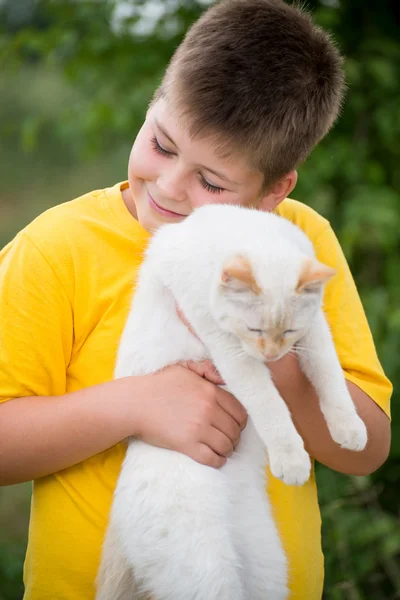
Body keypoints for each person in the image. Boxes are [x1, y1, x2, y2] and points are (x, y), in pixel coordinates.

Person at [0, 1, 392, 598]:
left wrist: (267, 340)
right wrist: (134, 404)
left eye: (212, 182)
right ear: (154, 103)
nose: (170, 185)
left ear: (271, 194)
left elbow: (364, 450)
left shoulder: (297, 244)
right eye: (161, 144)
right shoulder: (57, 248)